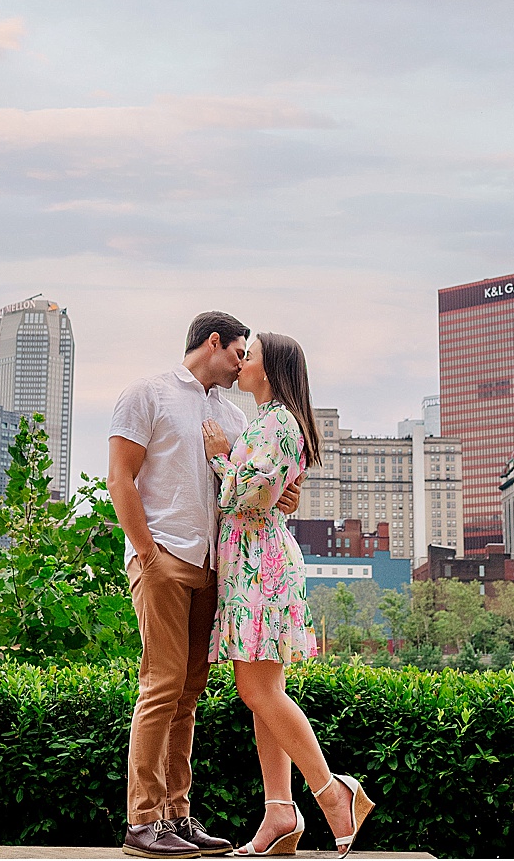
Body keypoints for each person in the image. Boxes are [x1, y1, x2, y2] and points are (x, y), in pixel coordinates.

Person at [110, 312, 303, 859]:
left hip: (213, 565)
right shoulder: (147, 393)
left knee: (189, 693)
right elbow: (119, 477)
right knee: (161, 685)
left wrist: (287, 498)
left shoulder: (233, 417)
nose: (243, 364)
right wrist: (146, 552)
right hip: (164, 557)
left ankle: (176, 814)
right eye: (239, 353)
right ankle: (143, 821)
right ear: (214, 343)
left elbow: (252, 487)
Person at [201, 332, 375, 857]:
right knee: (261, 694)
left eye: (248, 356)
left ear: (270, 370)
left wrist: (218, 457)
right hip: (250, 564)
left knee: (260, 692)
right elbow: (269, 493)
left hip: (262, 565)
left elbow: (252, 498)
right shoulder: (268, 420)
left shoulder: (279, 422)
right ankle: (279, 811)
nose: (240, 362)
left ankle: (331, 792)